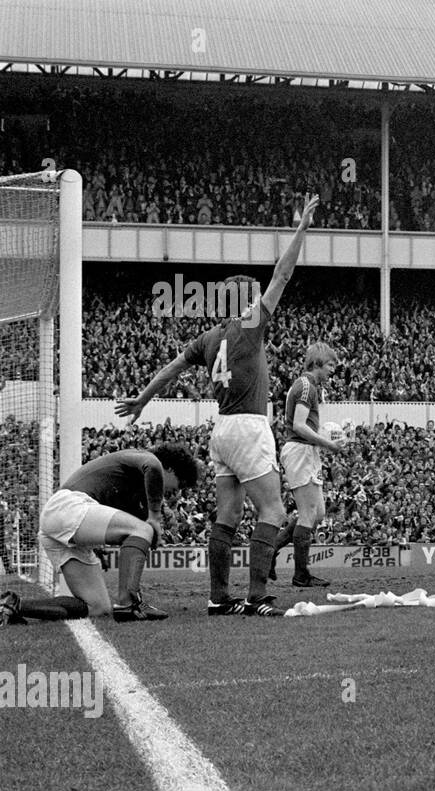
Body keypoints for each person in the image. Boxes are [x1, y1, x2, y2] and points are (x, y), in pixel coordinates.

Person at [115, 194, 320, 617]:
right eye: (251, 295)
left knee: (227, 514)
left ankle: (217, 597)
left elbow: (172, 369)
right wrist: (301, 230)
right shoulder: (249, 327)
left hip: (222, 430)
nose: (257, 298)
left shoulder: (210, 338)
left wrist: (143, 399)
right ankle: (257, 596)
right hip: (247, 426)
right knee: (274, 510)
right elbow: (282, 275)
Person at [0, 443, 201, 626]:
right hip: (68, 505)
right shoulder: (147, 458)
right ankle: (129, 604)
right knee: (143, 528)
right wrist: (155, 518)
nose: (177, 492)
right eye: (180, 484)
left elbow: (126, 529)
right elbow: (153, 467)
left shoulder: (134, 490)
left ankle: (14, 605)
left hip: (61, 521)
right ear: (170, 469)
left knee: (97, 607)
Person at [271, 342, 342, 588]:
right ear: (317, 363)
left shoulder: (309, 386)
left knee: (318, 513)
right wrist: (328, 444)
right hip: (300, 449)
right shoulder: (305, 385)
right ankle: (301, 574)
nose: (334, 369)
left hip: (305, 450)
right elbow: (300, 426)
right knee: (308, 514)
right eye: (331, 364)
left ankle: (272, 550)